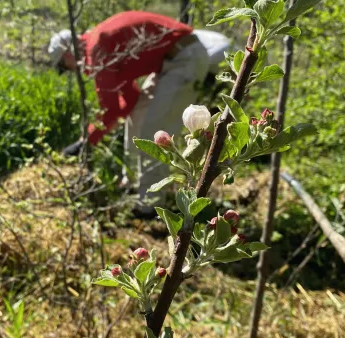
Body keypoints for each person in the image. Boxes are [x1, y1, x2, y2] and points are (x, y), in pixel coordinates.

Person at [47, 11, 233, 204]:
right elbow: (130, 99)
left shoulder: (98, 51)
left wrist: (85, 142)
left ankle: (150, 204)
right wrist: (90, 138)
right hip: (170, 62)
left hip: (185, 58)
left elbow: (109, 111)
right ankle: (132, 186)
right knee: (137, 117)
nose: (68, 70)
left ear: (68, 51)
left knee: (154, 134)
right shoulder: (100, 45)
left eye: (63, 64)